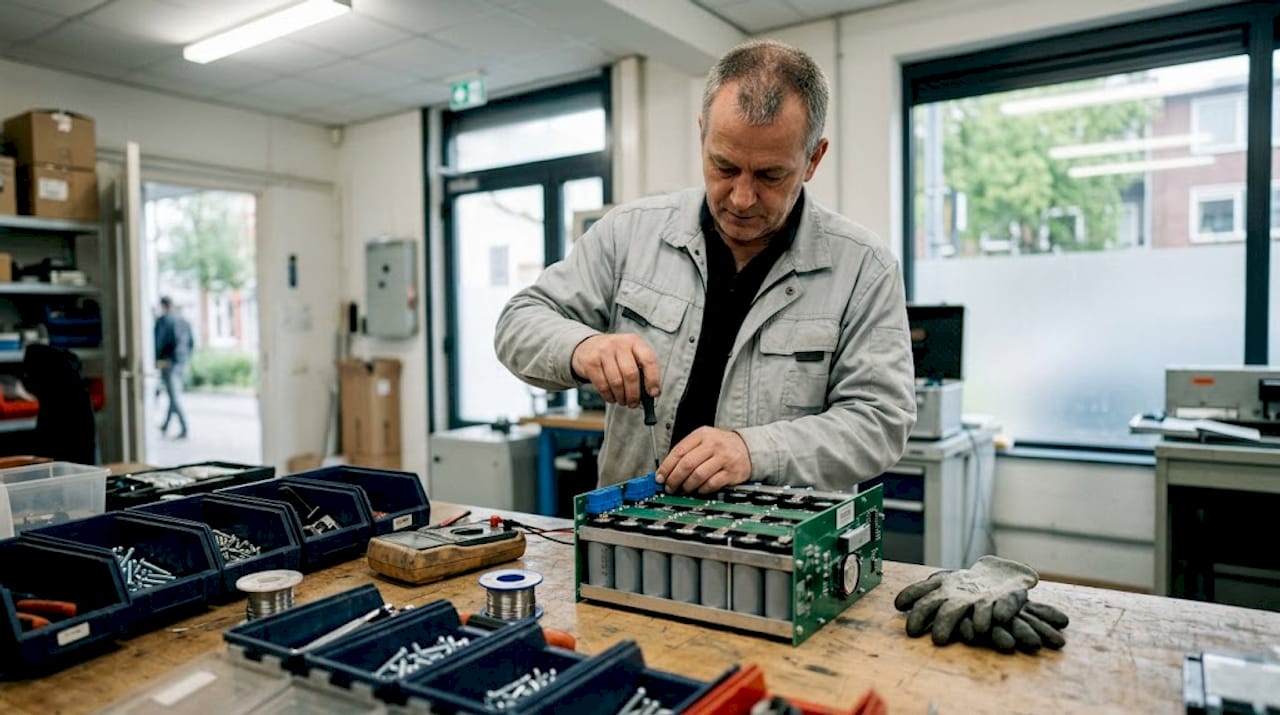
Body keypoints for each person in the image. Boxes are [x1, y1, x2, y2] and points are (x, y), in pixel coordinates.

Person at [495, 39, 916, 494]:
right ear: (702, 136)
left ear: (813, 158)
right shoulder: (630, 233)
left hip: (778, 555)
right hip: (631, 538)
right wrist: (583, 347)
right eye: (724, 166)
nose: (741, 197)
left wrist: (755, 451)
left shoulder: (863, 268)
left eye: (770, 175)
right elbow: (518, 323)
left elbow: (880, 422)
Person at [154, 296, 193, 439]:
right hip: (181, 362)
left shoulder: (164, 321)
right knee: (173, 395)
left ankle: (184, 427)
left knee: (173, 397)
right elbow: (191, 343)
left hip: (168, 362)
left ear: (164, 306)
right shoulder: (184, 320)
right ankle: (165, 425)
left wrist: (157, 360)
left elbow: (158, 342)